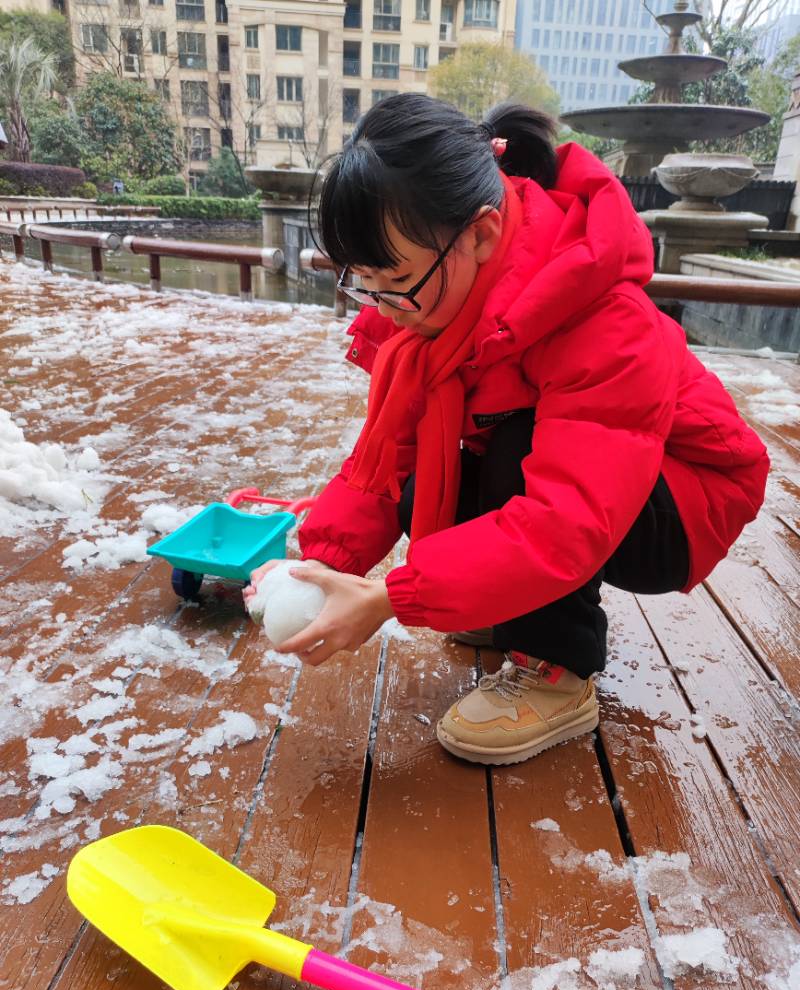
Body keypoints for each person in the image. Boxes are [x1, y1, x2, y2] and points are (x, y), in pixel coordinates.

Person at [244, 94, 769, 767]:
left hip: (680, 500)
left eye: (394, 278)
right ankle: (507, 609)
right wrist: (316, 566)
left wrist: (388, 597)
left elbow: (567, 520)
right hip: (585, 484)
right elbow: (383, 463)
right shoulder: (431, 302)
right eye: (362, 280)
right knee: (424, 472)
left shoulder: (600, 315)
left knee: (518, 445)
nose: (381, 305)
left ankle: (559, 667)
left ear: (482, 234)